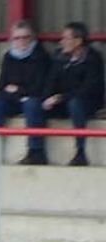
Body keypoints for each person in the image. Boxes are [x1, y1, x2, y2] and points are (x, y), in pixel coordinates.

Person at [38, 21, 105, 166]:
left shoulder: (93, 58)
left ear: (78, 41)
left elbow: (87, 89)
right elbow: (50, 82)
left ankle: (80, 153)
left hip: (87, 103)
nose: (62, 42)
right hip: (62, 102)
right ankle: (36, 152)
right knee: (35, 104)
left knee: (75, 104)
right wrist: (46, 98)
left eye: (66, 38)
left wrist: (61, 97)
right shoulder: (58, 57)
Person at [0, 20, 51, 165]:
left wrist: (17, 90)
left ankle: (36, 152)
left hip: (34, 99)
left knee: (32, 105)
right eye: (17, 38)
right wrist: (19, 93)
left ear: (32, 38)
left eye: (25, 37)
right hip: (14, 99)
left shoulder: (41, 57)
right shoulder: (8, 57)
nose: (21, 41)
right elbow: (1, 85)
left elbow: (39, 87)